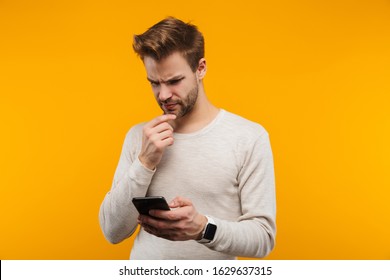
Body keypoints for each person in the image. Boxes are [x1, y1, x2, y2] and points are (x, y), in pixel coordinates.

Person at [99, 17, 276, 260]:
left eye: (174, 81)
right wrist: (144, 162)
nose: (163, 95)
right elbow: (112, 231)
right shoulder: (140, 138)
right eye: (154, 83)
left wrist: (202, 228)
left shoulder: (249, 137)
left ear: (200, 68)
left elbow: (263, 237)